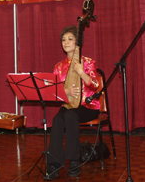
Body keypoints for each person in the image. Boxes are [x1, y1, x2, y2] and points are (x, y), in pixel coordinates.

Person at [44, 26, 100, 180]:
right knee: (57, 119)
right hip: (69, 106)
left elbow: (96, 85)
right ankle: (54, 164)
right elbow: (55, 93)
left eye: (70, 39)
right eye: (63, 40)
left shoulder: (88, 62)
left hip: (88, 106)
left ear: (77, 42)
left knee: (69, 116)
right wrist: (66, 92)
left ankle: (74, 161)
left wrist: (82, 72)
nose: (66, 42)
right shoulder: (59, 66)